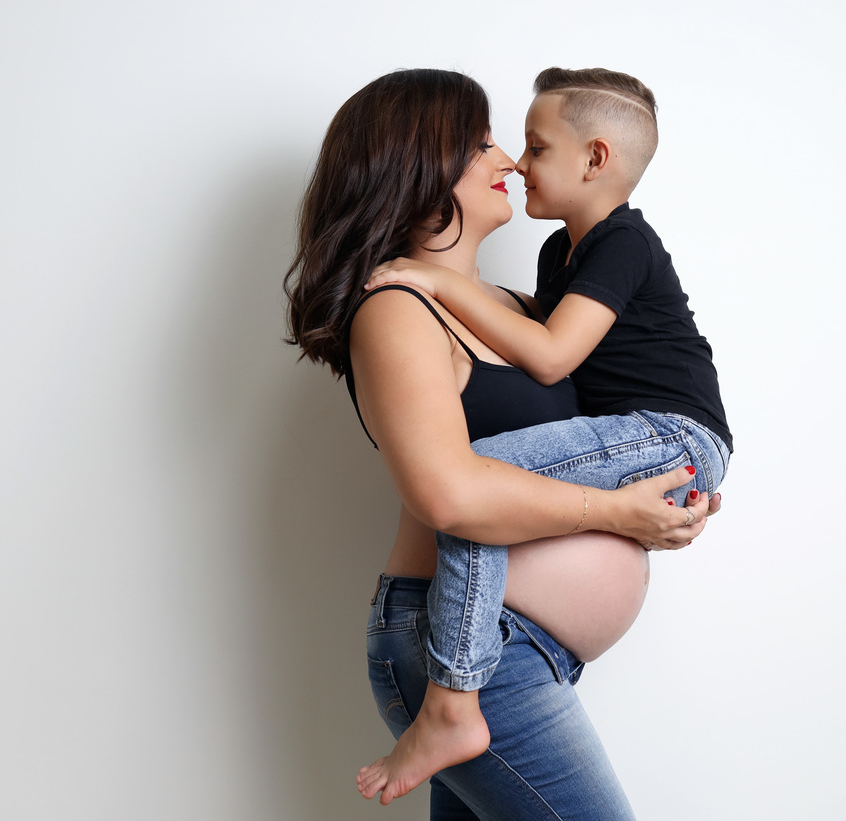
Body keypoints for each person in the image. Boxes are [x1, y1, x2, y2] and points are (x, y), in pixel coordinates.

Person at [283, 69, 719, 819]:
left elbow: (606, 429)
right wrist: (617, 514)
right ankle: (449, 709)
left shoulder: (525, 309)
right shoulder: (398, 308)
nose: (509, 161)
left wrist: (668, 491)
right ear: (419, 167)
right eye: (481, 144)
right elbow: (452, 494)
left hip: (522, 653)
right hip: (473, 656)